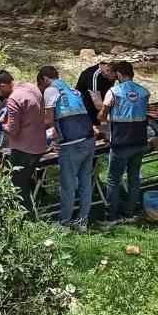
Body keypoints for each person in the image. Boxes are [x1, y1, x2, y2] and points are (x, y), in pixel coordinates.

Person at [41, 65, 96, 231]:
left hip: (72, 143)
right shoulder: (73, 90)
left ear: (44, 79)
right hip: (88, 139)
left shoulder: (50, 90)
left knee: (68, 185)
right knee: (85, 183)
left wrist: (32, 134)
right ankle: (82, 222)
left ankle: (64, 223)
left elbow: (48, 121)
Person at [98, 61, 151, 222]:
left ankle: (112, 216)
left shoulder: (114, 92)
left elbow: (102, 115)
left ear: (119, 74)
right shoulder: (144, 92)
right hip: (140, 141)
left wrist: (101, 117)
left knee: (114, 179)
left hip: (121, 143)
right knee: (134, 177)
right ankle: (129, 212)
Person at [0, 69, 49, 216]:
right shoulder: (31, 87)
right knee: (26, 178)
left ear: (3, 85)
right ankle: (34, 204)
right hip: (39, 144)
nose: (0, 95)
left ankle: (26, 216)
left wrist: (1, 125)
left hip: (24, 148)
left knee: (18, 183)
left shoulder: (13, 99)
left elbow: (13, 130)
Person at [76, 59, 116, 126]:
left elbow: (109, 94)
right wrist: (108, 116)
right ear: (108, 71)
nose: (115, 79)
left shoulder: (110, 73)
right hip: (86, 98)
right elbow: (97, 103)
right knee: (96, 121)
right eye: (114, 77)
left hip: (99, 94)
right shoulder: (94, 76)